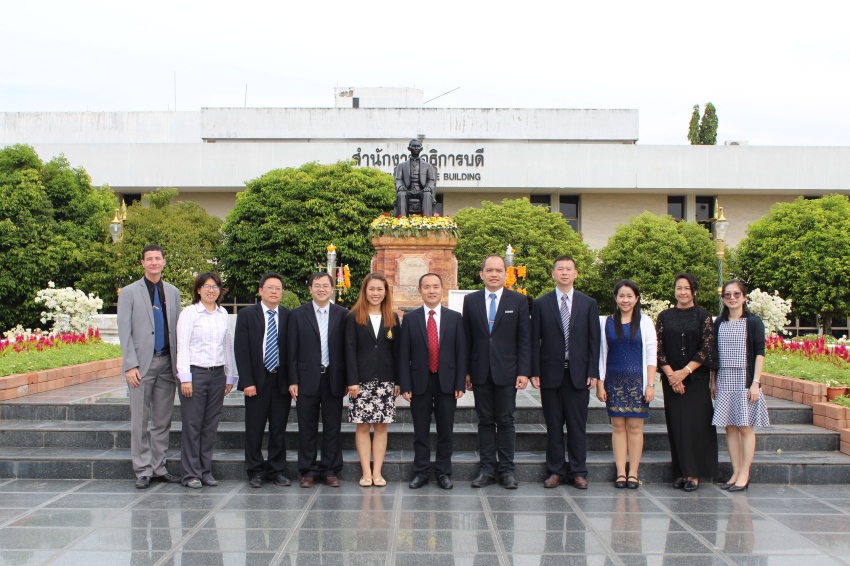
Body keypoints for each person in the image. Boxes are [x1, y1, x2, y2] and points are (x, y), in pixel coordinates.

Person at [531, 256, 600, 489]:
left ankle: (578, 471)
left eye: (568, 269)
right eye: (559, 269)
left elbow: (594, 341)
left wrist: (593, 370)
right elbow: (534, 340)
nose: (564, 273)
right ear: (553, 274)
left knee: (577, 425)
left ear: (576, 273)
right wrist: (534, 371)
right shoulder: (541, 303)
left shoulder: (588, 303)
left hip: (578, 374)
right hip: (550, 373)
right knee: (553, 425)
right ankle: (555, 471)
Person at [463, 255, 531, 489]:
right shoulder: (470, 301)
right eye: (489, 270)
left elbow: (524, 338)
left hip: (508, 371)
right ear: (481, 274)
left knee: (505, 420)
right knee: (484, 421)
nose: (494, 274)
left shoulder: (518, 301)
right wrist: (466, 371)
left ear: (505, 274)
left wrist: (523, 371)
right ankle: (486, 470)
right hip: (480, 371)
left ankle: (507, 471)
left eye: (499, 270)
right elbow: (466, 338)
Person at [117, 244, 182, 489]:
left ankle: (158, 466)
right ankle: (142, 469)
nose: (154, 262)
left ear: (164, 261)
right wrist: (130, 364)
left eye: (158, 258)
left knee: (163, 420)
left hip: (167, 362)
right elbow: (125, 330)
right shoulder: (129, 292)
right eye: (149, 259)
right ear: (143, 263)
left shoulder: (173, 292)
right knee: (140, 419)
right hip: (141, 365)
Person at [398, 273, 466, 489]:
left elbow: (460, 352)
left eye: (435, 286)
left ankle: (444, 473)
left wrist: (459, 384)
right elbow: (403, 355)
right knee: (420, 431)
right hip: (419, 383)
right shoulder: (410, 319)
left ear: (442, 289)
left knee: (446, 431)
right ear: (420, 290)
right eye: (426, 287)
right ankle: (421, 472)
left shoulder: (455, 318)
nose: (431, 290)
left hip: (446, 382)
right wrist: (405, 385)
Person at [656, 273, 717, 492]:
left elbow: (706, 348)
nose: (682, 292)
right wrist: (672, 376)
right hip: (671, 380)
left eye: (686, 288)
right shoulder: (664, 316)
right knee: (677, 426)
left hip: (696, 379)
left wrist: (685, 372)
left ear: (694, 292)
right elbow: (658, 347)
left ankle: (694, 473)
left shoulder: (704, 316)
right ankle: (681, 471)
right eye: (678, 288)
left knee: (695, 426)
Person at [287, 272, 349, 488]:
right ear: (310, 289)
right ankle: (308, 471)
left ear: (332, 289)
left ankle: (330, 470)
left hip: (334, 378)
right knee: (306, 427)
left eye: (325, 285)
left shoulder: (343, 314)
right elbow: (291, 350)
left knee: (333, 427)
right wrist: (292, 380)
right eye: (317, 285)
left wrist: (348, 380)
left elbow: (347, 350)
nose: (321, 289)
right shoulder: (297, 314)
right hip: (306, 379)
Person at [175, 272, 236, 488]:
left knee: (210, 424)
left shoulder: (222, 314)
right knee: (193, 424)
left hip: (217, 374)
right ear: (198, 289)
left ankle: (205, 470)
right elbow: (182, 345)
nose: (211, 290)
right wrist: (185, 378)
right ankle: (190, 473)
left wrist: (230, 375)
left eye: (215, 287)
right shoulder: (190, 313)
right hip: (195, 374)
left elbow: (227, 345)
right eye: (206, 286)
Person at [595, 280, 657, 489]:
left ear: (636, 299)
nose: (625, 300)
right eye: (621, 296)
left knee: (635, 427)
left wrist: (650, 384)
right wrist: (600, 383)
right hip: (614, 381)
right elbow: (602, 354)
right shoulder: (608, 322)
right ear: (615, 298)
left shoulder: (645, 322)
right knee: (618, 427)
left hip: (637, 382)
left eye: (629, 296)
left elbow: (651, 354)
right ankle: (621, 472)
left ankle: (634, 473)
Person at [234, 273, 292, 488]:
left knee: (279, 428)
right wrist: (247, 381)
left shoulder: (288, 315)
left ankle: (276, 470)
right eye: (270, 287)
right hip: (256, 381)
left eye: (278, 288)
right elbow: (241, 350)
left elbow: (292, 351)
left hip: (281, 381)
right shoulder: (247, 315)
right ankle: (255, 471)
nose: (274, 291)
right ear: (260, 291)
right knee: (255, 428)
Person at [712, 279, 769, 492]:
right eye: (728, 295)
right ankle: (735, 471)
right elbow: (715, 355)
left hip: (745, 380)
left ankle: (745, 472)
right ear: (723, 298)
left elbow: (760, 352)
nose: (732, 298)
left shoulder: (753, 322)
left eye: (736, 294)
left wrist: (755, 383)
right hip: (724, 378)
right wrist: (713, 381)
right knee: (729, 427)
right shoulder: (719, 322)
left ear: (744, 297)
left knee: (745, 427)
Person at [344, 273, 401, 487]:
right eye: (371, 289)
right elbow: (349, 350)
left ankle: (377, 472)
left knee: (381, 427)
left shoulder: (392, 318)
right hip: (361, 381)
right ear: (364, 291)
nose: (375, 293)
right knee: (362, 426)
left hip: (385, 380)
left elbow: (398, 352)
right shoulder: (353, 317)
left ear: (385, 292)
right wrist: (352, 380)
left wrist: (397, 381)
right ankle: (365, 472)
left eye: (379, 289)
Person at [393, 139, 436, 217]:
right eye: (414, 146)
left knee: (427, 194)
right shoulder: (401, 166)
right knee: (401, 194)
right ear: (409, 148)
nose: (416, 148)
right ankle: (402, 222)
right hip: (407, 190)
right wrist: (400, 186)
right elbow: (398, 179)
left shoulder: (428, 166)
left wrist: (428, 187)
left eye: (418, 146)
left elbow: (431, 180)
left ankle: (427, 222)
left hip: (421, 190)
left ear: (421, 148)